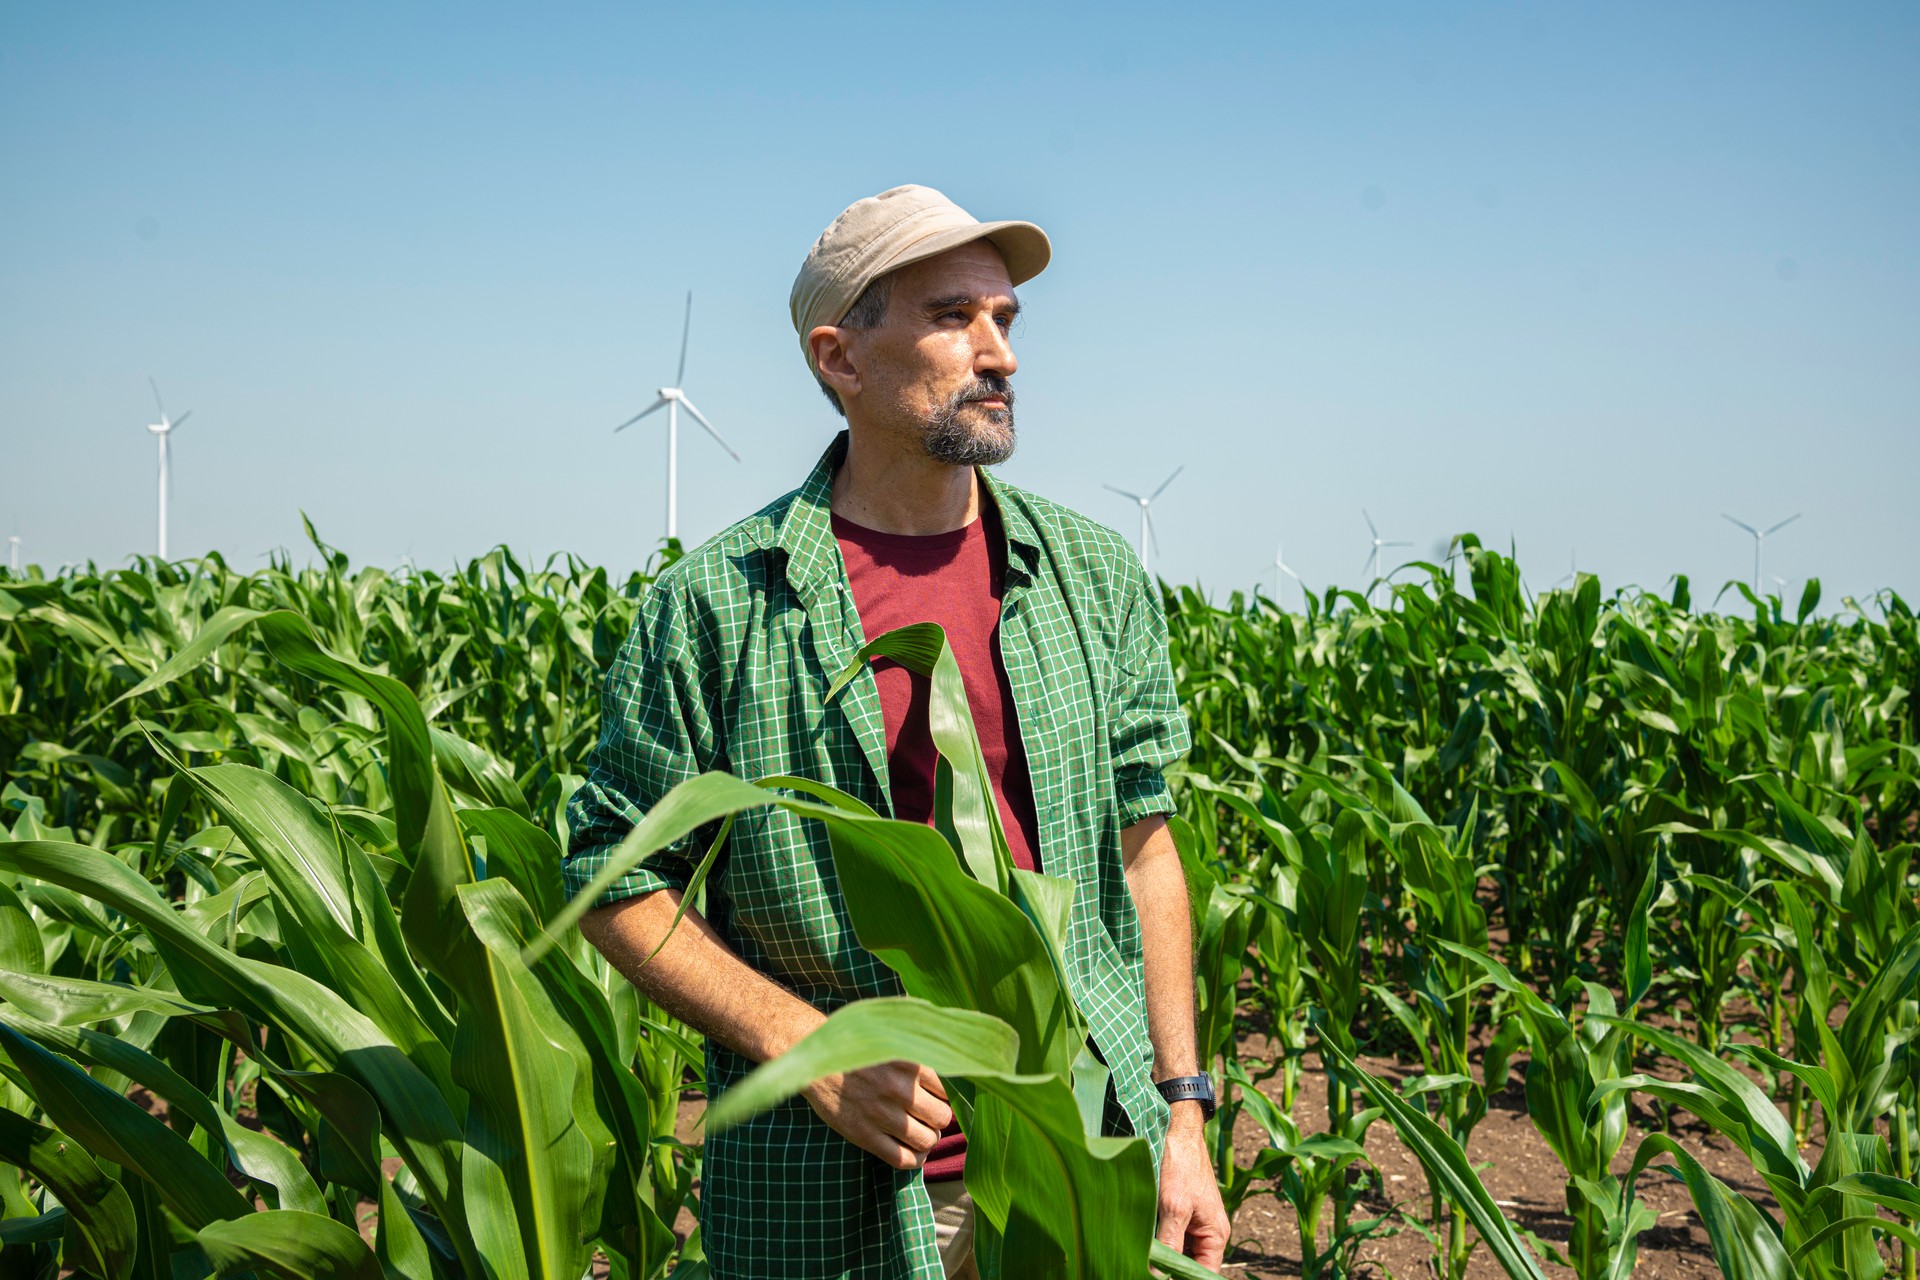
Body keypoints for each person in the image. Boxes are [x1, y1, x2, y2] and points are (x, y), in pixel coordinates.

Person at [566, 184, 1231, 1278]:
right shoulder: (717, 603)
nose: (999, 354)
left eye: (1006, 321)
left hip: (1083, 1161)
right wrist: (811, 1048)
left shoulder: (1094, 578)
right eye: (952, 316)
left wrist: (1184, 1114)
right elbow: (613, 874)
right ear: (841, 358)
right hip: (830, 1190)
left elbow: (1144, 847)